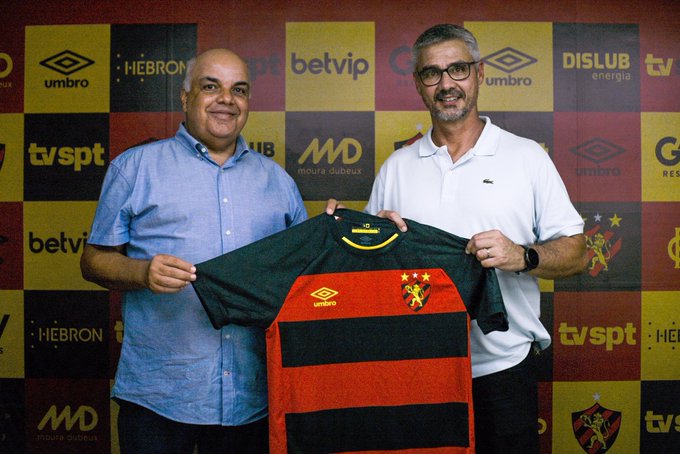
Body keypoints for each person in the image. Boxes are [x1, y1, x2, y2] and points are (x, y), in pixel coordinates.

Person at [327, 24, 587, 453]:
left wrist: (522, 255)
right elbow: (363, 274)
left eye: (458, 69)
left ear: (479, 73)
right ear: (419, 85)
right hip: (417, 370)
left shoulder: (527, 158)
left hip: (504, 370)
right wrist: (366, 236)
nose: (446, 84)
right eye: (432, 73)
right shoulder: (397, 167)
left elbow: (577, 254)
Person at [81, 48, 307, 454]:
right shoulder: (134, 168)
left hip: (253, 399)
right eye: (211, 87)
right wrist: (142, 273)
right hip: (159, 398)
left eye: (239, 90)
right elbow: (93, 261)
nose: (227, 99)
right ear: (185, 98)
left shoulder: (278, 182)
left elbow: (304, 278)